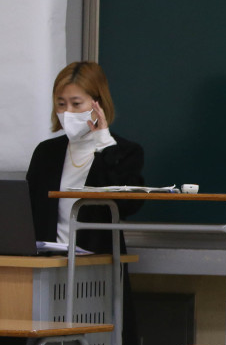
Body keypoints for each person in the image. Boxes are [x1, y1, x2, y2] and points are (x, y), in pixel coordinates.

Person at [27, 61, 145, 253]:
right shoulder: (46, 152)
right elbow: (28, 211)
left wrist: (105, 144)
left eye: (76, 103)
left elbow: (128, 206)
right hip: (48, 265)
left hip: (98, 267)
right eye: (61, 104)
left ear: (97, 103)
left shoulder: (123, 152)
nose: (67, 112)